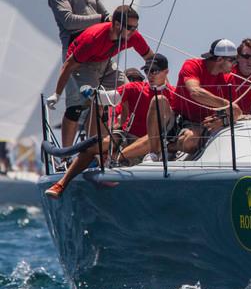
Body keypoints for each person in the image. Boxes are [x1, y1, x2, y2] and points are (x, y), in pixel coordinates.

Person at [44, 53, 193, 199]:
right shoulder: (135, 88)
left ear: (166, 72)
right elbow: (110, 97)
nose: (150, 75)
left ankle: (114, 160)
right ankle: (62, 184)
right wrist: (93, 93)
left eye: (154, 71)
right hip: (128, 138)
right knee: (91, 148)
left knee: (155, 117)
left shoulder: (175, 95)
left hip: (156, 143)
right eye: (147, 71)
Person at [46, 5, 153, 140]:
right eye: (130, 27)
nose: (133, 31)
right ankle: (91, 148)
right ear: (117, 24)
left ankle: (123, 129)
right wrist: (57, 93)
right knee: (95, 100)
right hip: (83, 64)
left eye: (135, 27)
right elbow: (68, 66)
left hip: (104, 60)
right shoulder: (93, 38)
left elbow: (151, 59)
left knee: (130, 91)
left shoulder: (133, 37)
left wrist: (161, 82)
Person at [47, 0, 110, 146]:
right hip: (77, 55)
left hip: (100, 53)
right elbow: (69, 21)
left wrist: (113, 21)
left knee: (107, 99)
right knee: (76, 106)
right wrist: (101, 19)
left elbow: (107, 16)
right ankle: (66, 155)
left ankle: (93, 150)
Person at [174, 39, 244, 145]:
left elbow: (236, 112)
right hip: (181, 120)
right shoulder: (192, 65)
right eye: (233, 61)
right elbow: (195, 92)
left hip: (205, 124)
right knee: (159, 101)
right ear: (220, 59)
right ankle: (168, 148)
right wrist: (226, 105)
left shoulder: (227, 78)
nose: (235, 65)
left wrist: (223, 121)